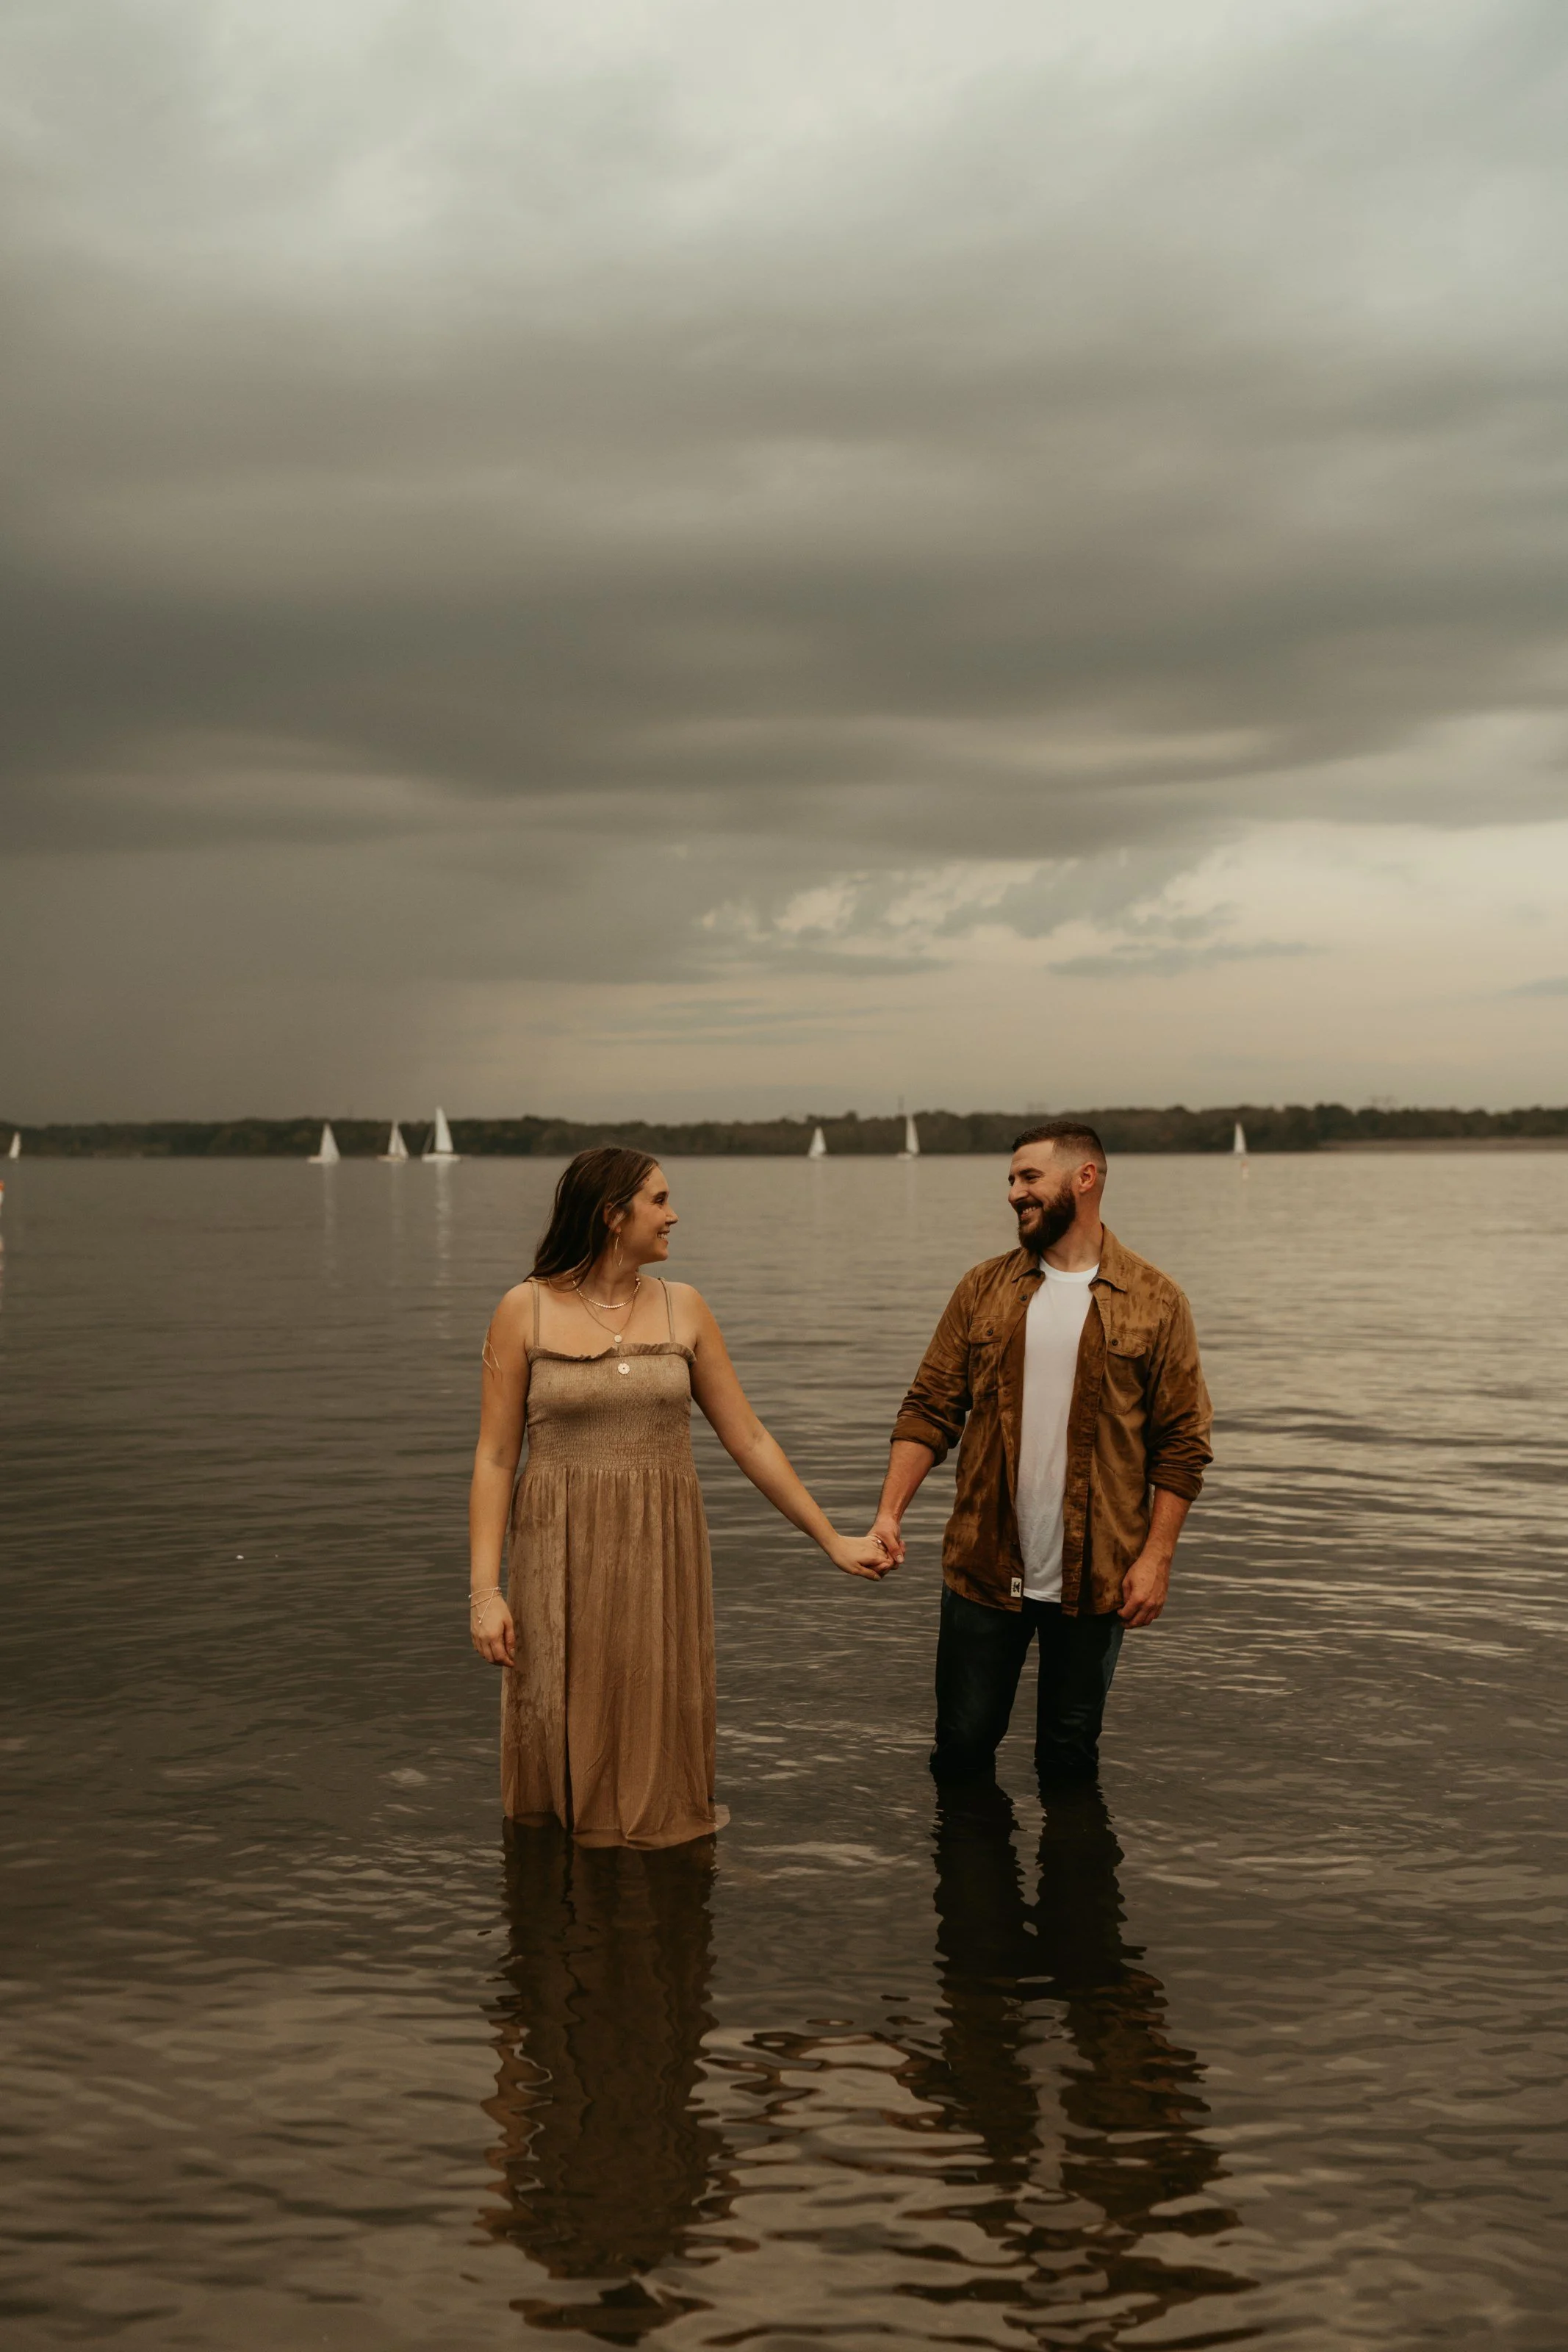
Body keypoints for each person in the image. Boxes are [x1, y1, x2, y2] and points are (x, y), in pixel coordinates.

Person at [470, 1145, 891, 1849]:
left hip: (660, 1555)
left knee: (651, 1715)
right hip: (558, 1558)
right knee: (560, 1720)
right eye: (659, 1201)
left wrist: (831, 1538)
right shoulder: (525, 1311)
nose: (674, 1215)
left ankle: (651, 1879)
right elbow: (494, 1458)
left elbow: (749, 1438)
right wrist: (485, 1594)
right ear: (613, 1217)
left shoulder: (684, 1307)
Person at [868, 1118, 1212, 1788]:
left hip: (1100, 1578)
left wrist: (1157, 1559)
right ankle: (971, 1890)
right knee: (961, 1753)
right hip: (983, 1567)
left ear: (1084, 1179)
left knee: (1068, 1760)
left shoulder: (1157, 1302)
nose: (1013, 1193)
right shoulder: (982, 1290)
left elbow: (1182, 1445)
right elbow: (930, 1409)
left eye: (1029, 1177)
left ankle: (1075, 1892)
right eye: (1011, 1179)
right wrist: (889, 1514)